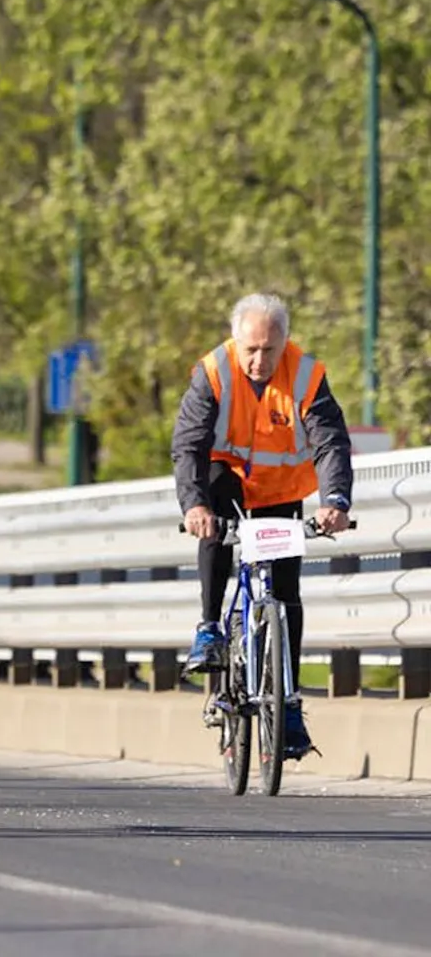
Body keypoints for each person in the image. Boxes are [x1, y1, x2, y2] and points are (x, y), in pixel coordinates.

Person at [172, 292, 352, 758]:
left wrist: (335, 501)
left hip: (280, 489)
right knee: (213, 521)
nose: (259, 360)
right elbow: (189, 445)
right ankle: (210, 626)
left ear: (284, 343)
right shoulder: (213, 372)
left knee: (287, 592)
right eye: (250, 349)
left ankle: (288, 704)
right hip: (225, 478)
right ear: (236, 342)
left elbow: (330, 442)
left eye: (269, 350)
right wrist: (194, 506)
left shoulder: (307, 375)